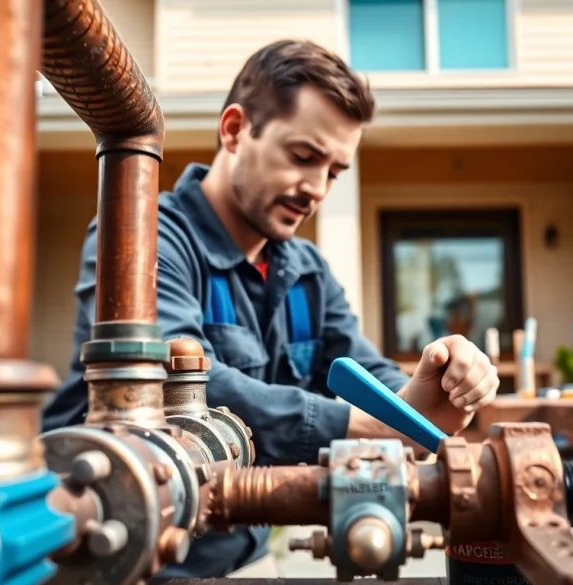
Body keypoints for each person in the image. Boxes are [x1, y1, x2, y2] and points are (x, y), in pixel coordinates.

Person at [42, 39, 500, 578]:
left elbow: (364, 371)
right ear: (236, 130)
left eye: (334, 172)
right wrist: (367, 428)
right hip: (116, 554)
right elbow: (169, 385)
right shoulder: (143, 238)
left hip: (247, 555)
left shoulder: (308, 270)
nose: (317, 189)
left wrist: (434, 385)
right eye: (303, 157)